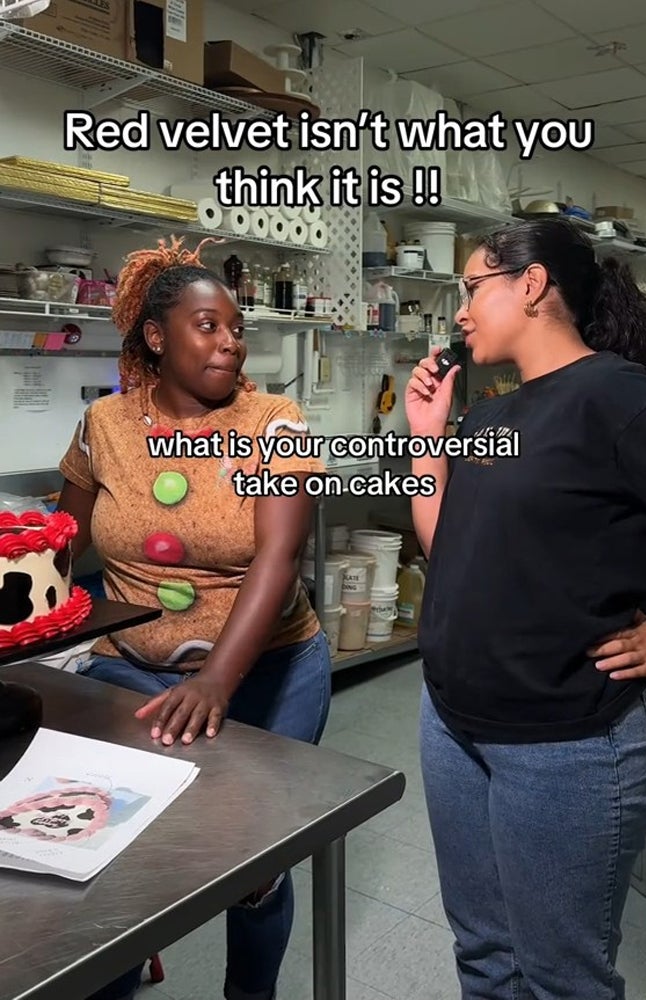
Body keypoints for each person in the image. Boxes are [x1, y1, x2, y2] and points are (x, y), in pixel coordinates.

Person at [61, 237, 330, 1000]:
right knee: (112, 849)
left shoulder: (275, 421)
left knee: (251, 863)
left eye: (236, 329)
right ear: (156, 336)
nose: (230, 343)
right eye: (208, 326)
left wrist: (216, 681)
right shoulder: (104, 425)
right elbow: (61, 542)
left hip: (268, 672)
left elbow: (278, 560)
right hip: (127, 667)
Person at [402, 218, 646, 1000]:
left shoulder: (621, 397)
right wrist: (427, 439)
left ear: (533, 284)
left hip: (564, 741)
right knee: (484, 954)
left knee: (561, 977)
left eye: (473, 287)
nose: (461, 310)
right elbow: (447, 543)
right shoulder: (490, 415)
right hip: (453, 722)